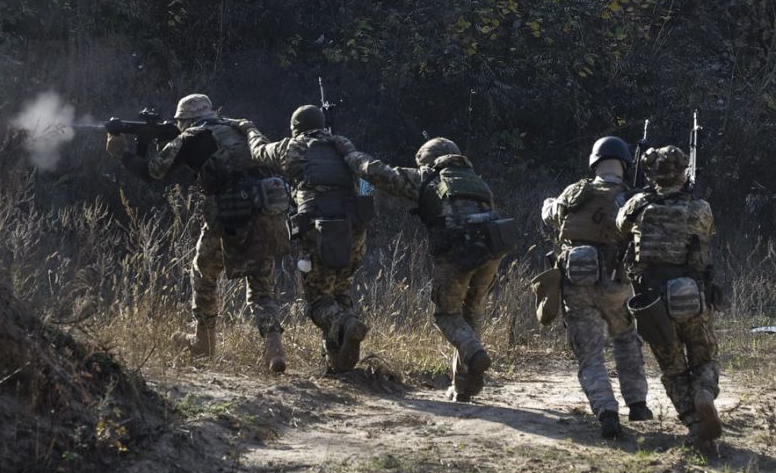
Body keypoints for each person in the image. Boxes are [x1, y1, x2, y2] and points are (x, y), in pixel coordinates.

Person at [106, 93, 290, 373]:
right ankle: (274, 348)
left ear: (186, 121)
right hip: (267, 212)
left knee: (203, 273)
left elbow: (152, 172)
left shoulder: (190, 137)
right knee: (261, 288)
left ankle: (203, 340)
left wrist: (121, 153)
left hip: (228, 215)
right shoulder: (238, 128)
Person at [335, 137, 512, 402]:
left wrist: (349, 153)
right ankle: (464, 385)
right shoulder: (477, 180)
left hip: (456, 254)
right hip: (491, 252)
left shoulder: (427, 178)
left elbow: (376, 171)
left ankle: (473, 351)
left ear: (428, 161)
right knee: (471, 313)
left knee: (447, 315)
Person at [231, 105, 373, 372]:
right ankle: (338, 360)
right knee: (340, 291)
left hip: (318, 232)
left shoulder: (292, 147)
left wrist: (249, 129)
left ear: (296, 127)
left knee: (318, 301)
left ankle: (345, 325)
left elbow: (259, 151)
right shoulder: (342, 145)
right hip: (353, 232)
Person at [541, 136, 651, 439]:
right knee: (626, 339)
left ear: (594, 162)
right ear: (625, 165)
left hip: (577, 283)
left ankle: (606, 412)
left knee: (590, 354)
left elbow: (550, 214)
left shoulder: (575, 192)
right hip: (616, 282)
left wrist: (550, 203)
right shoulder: (632, 197)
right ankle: (638, 403)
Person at [617, 145, 722, 450]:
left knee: (672, 368)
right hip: (692, 295)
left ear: (651, 174)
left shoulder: (638, 205)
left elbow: (619, 227)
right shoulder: (700, 207)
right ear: (683, 171)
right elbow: (708, 232)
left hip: (653, 300)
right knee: (704, 357)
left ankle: (694, 423)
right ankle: (704, 391)